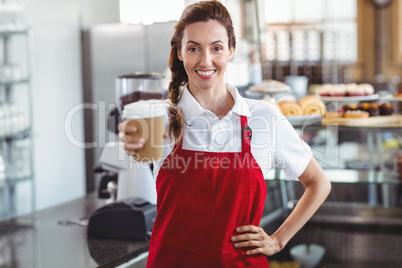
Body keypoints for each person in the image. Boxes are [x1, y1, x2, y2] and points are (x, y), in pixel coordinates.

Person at [118, 1, 331, 267]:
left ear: (230, 50)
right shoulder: (160, 117)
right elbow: (133, 143)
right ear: (180, 52)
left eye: (216, 48)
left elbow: (318, 183)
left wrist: (278, 240)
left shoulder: (264, 117)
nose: (205, 61)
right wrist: (130, 139)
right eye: (194, 48)